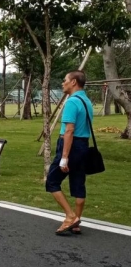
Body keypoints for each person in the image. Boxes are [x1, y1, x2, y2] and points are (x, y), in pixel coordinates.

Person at [45, 70, 93, 235]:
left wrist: (64, 157)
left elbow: (69, 131)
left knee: (52, 181)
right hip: (83, 146)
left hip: (70, 146)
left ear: (73, 82)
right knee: (79, 182)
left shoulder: (72, 102)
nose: (62, 83)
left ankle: (70, 216)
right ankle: (77, 221)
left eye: (65, 80)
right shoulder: (87, 101)